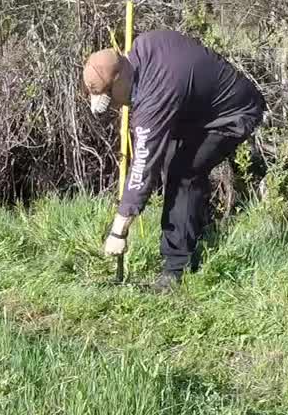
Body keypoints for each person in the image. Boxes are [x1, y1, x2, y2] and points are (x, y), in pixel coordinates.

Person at [83, 29, 266, 291]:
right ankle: (195, 235)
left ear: (121, 78)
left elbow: (143, 169)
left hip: (234, 113)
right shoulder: (145, 45)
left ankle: (175, 270)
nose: (114, 105)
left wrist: (118, 230)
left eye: (111, 97)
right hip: (199, 111)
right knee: (175, 161)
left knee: (183, 173)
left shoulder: (155, 99)